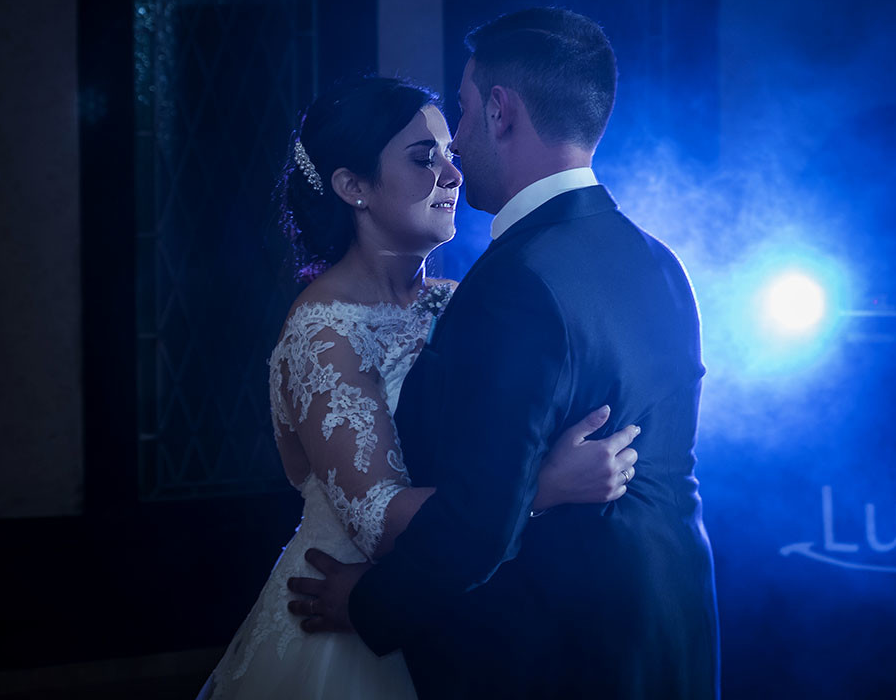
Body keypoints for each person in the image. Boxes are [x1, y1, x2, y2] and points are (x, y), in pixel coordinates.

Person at [291, 9, 720, 698]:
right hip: (674, 632)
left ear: (500, 110)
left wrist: (363, 604)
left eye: (460, 115)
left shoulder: (517, 281)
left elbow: (476, 524)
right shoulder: (660, 260)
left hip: (561, 650)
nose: (455, 149)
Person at [199, 75, 641, 699]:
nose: (452, 174)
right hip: (346, 620)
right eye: (421, 158)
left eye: (449, 154)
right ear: (352, 187)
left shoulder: (457, 301)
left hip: (453, 614)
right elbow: (379, 523)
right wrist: (545, 486)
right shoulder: (323, 331)